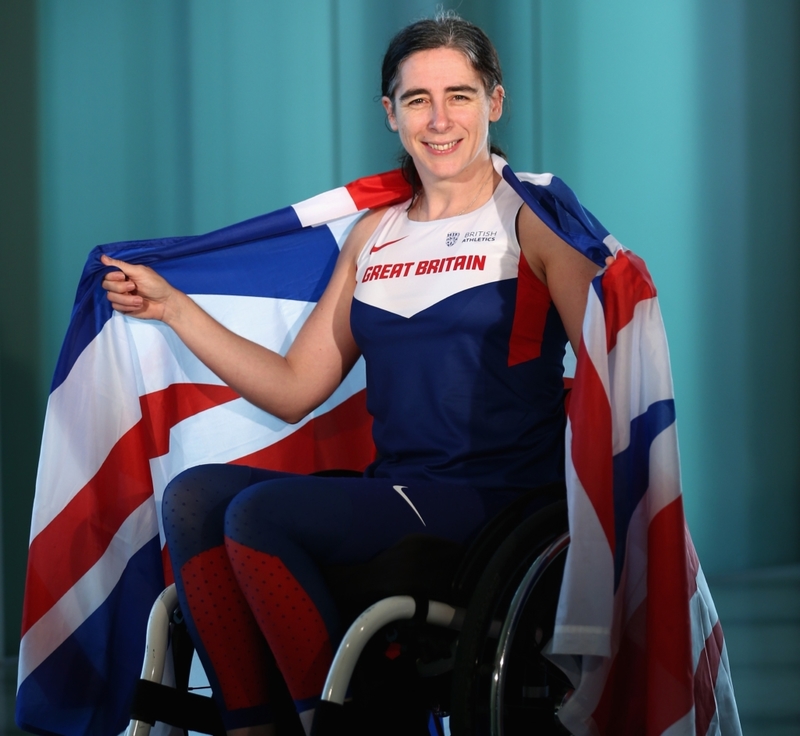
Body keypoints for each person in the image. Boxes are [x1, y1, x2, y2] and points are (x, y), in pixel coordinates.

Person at [102, 12, 604, 736]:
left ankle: (330, 727)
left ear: (495, 102)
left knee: (259, 515)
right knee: (195, 497)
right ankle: (255, 726)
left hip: (497, 503)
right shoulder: (377, 234)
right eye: (417, 100)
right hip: (397, 490)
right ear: (390, 114)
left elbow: (613, 353)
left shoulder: (534, 221)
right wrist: (174, 310)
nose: (439, 120)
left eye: (460, 96)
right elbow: (294, 387)